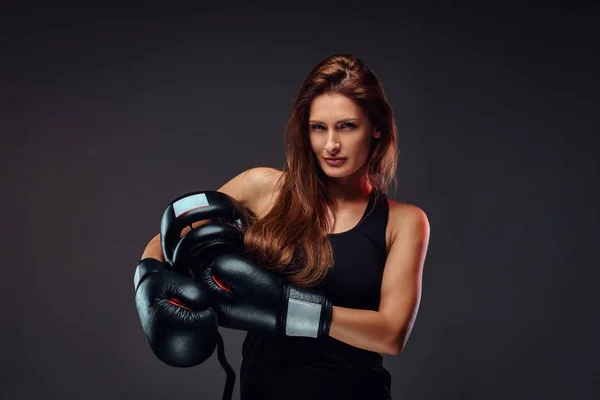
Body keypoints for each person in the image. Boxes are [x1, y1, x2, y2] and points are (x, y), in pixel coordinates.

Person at [135, 54, 430, 400]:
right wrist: (149, 282)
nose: (331, 144)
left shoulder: (404, 222)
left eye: (347, 126)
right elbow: (170, 236)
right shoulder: (264, 189)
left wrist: (287, 308)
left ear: (376, 127)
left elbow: (391, 334)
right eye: (318, 127)